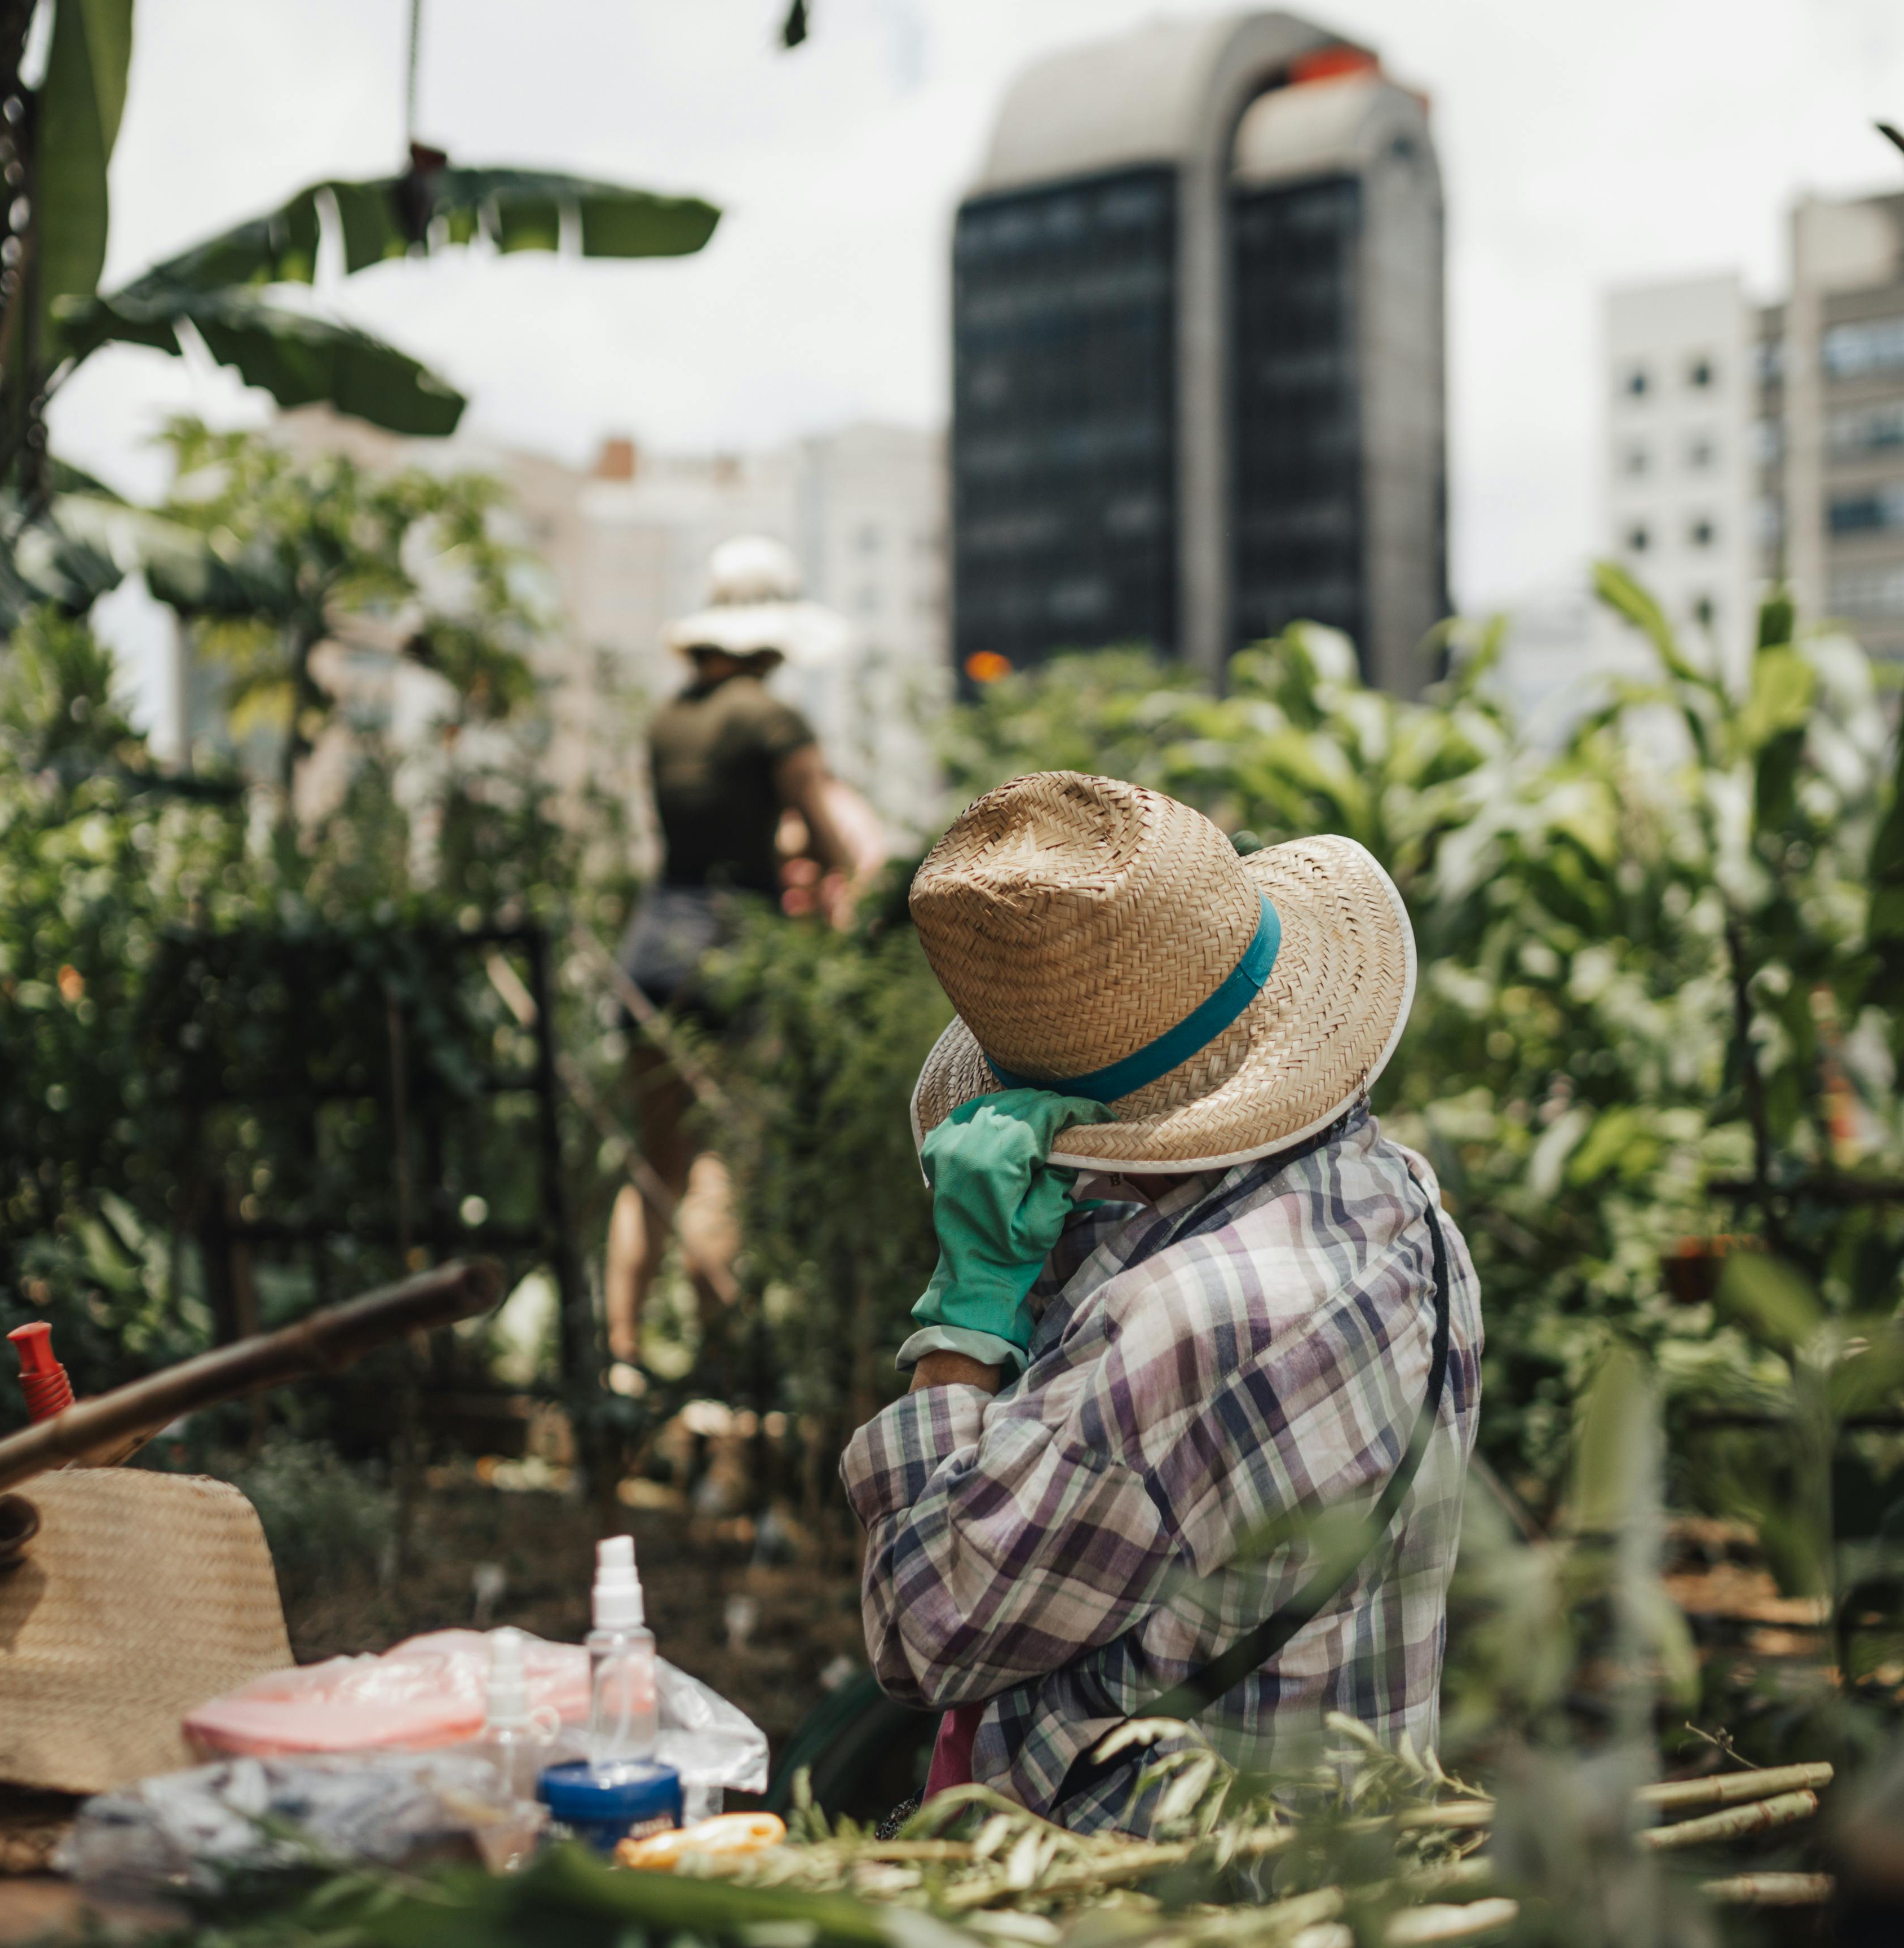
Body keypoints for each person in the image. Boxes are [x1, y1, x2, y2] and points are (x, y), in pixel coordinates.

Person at [843, 770, 1483, 1834]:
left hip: (1159, 1908)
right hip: (1340, 1851)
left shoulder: (1177, 1326)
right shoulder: (1396, 1194)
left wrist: (962, 1319)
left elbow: (925, 1629)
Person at [606, 540, 873, 1384]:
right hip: (732, 959)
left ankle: (619, 1359)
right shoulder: (769, 719)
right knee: (723, 1156)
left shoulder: (668, 718)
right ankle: (719, 1367)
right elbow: (840, 841)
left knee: (655, 1162)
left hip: (651, 947)